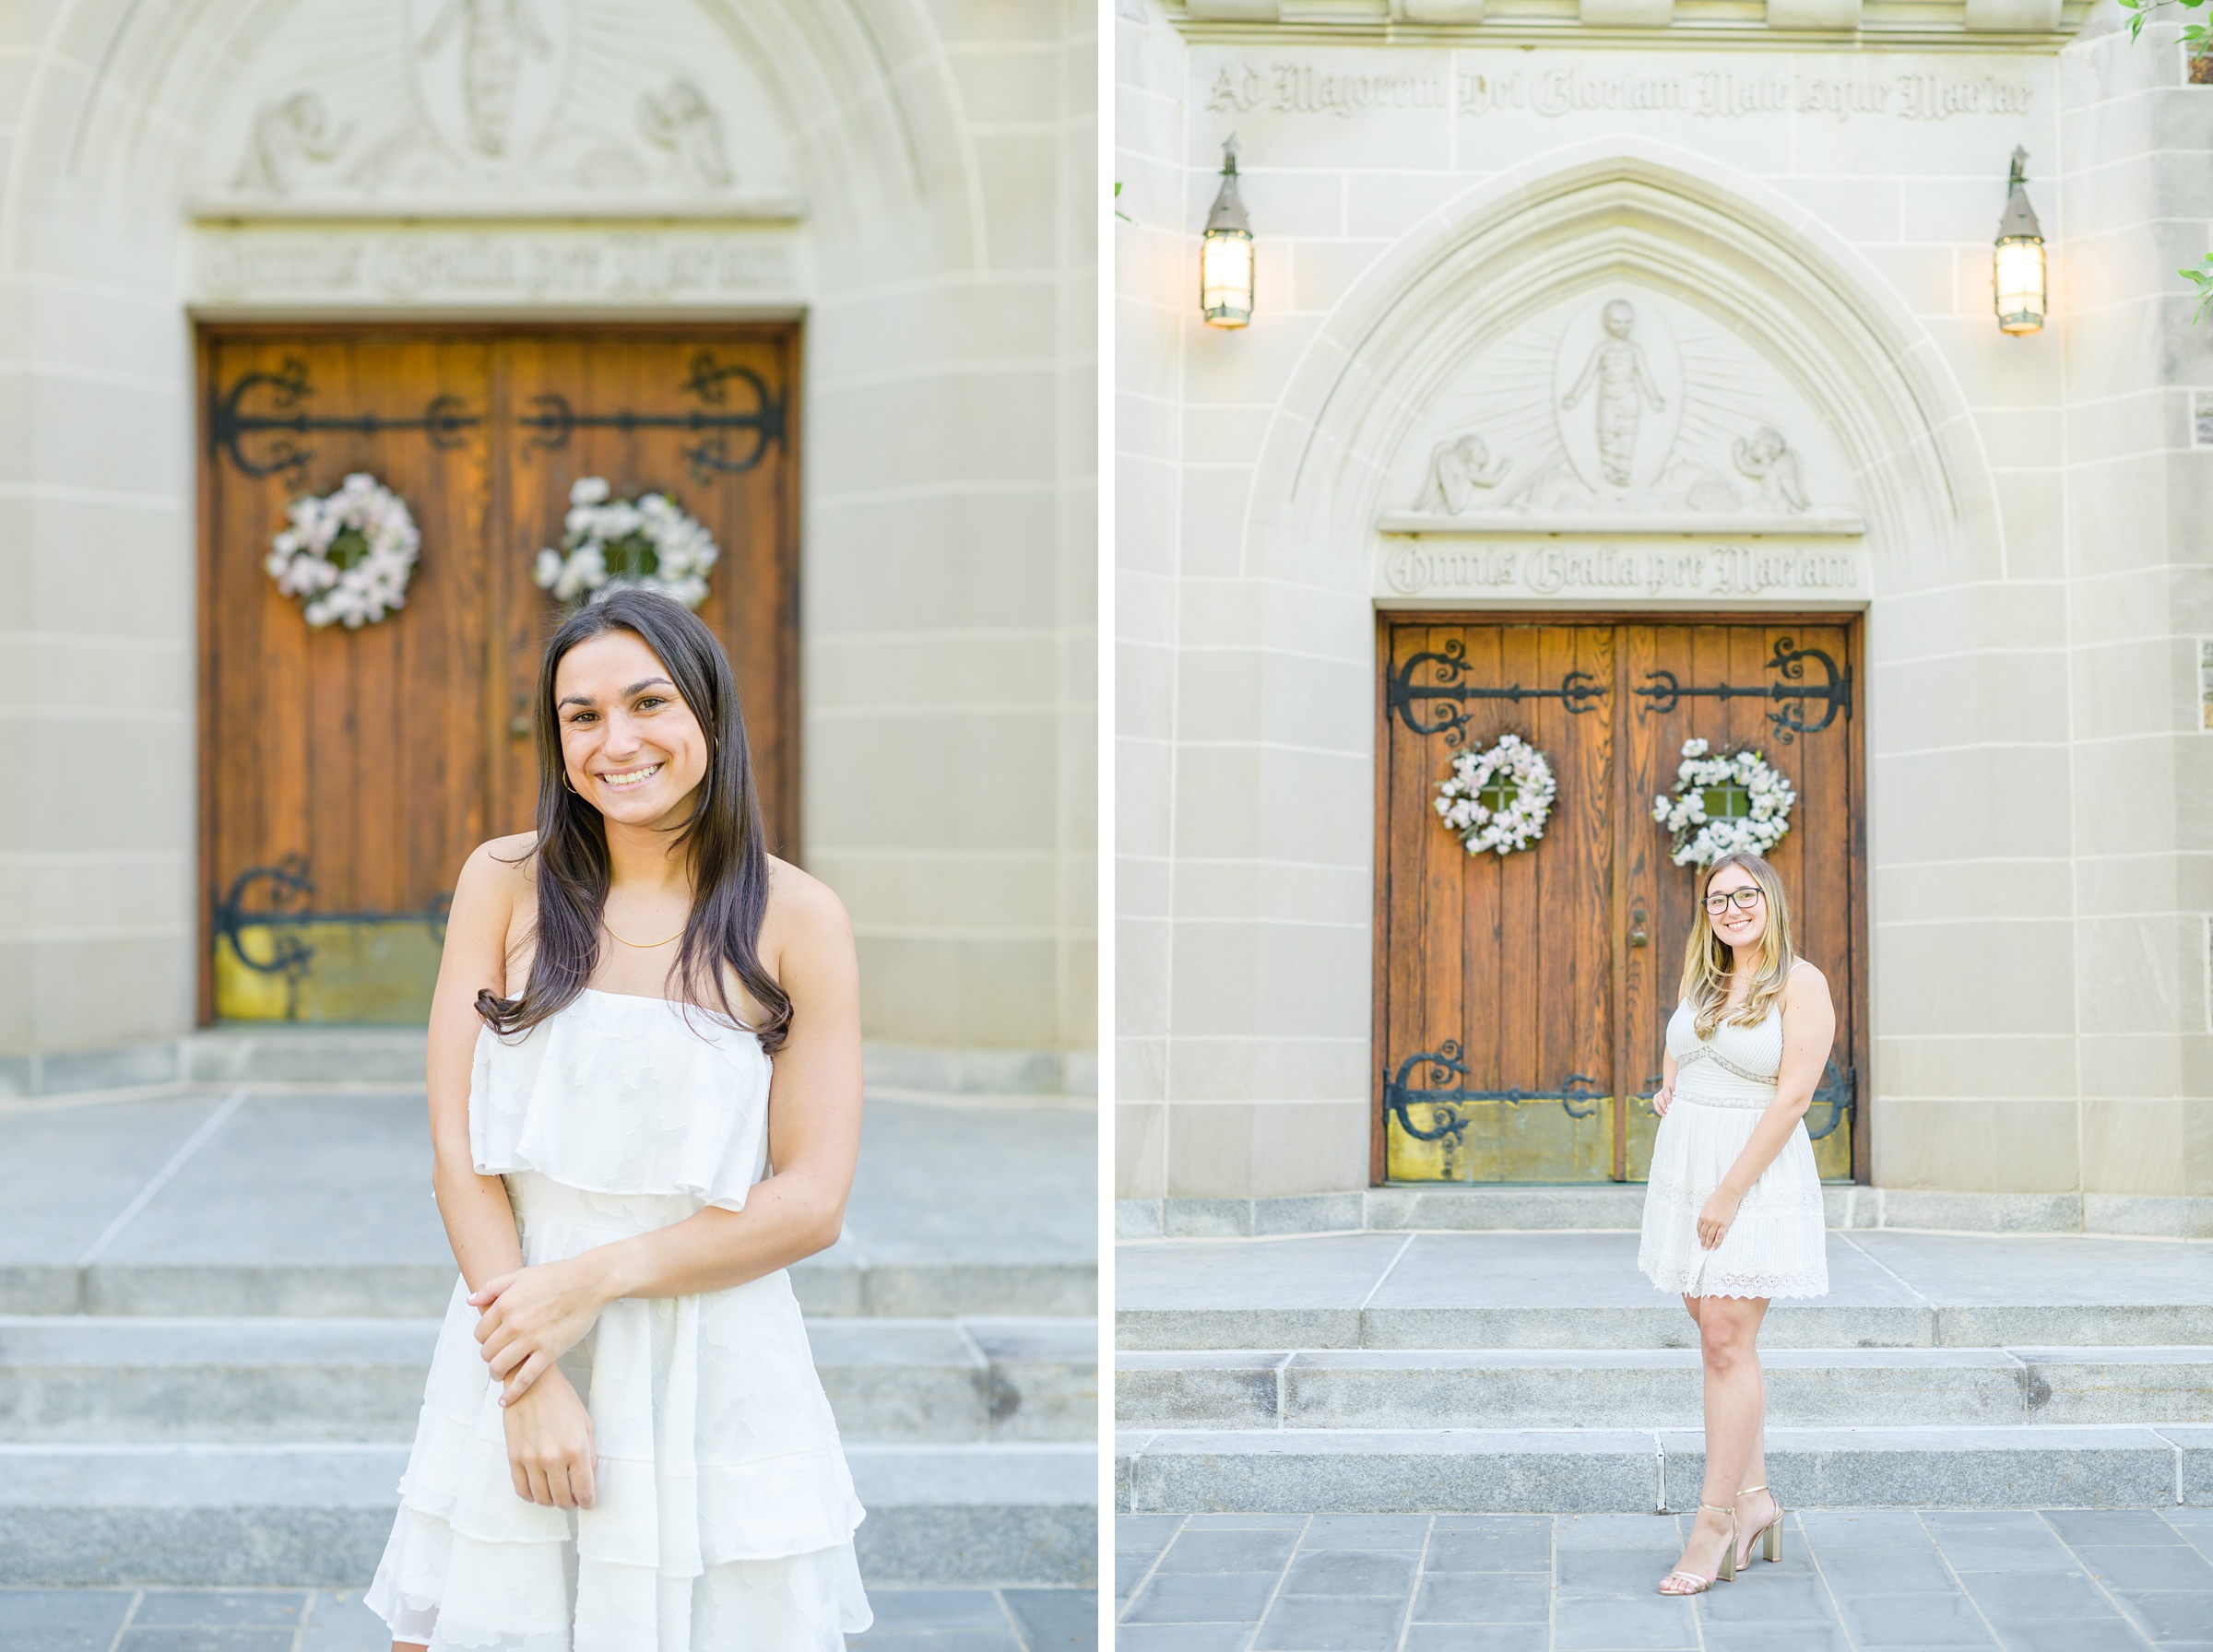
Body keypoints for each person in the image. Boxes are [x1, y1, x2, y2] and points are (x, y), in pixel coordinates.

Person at [365, 586, 872, 1650]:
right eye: (582, 716)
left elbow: (813, 1200)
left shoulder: (797, 919)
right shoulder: (503, 882)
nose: (617, 741)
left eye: (649, 702)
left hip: (707, 1355)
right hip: (512, 1328)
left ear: (710, 716)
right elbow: (458, 1155)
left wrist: (587, 1284)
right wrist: (531, 1370)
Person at [1637, 848, 1832, 1597]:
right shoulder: (1705, 977)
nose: (1732, 908)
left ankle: (1714, 1520)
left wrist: (1727, 1194)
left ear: (1771, 900)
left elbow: (1790, 1099)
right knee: (1712, 1328)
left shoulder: (1800, 983)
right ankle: (1756, 1501)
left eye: (1745, 895)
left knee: (1724, 1337)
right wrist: (1669, 1090)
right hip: (1687, 1171)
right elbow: (1683, 1049)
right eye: (1718, 899)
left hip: (1751, 1174)